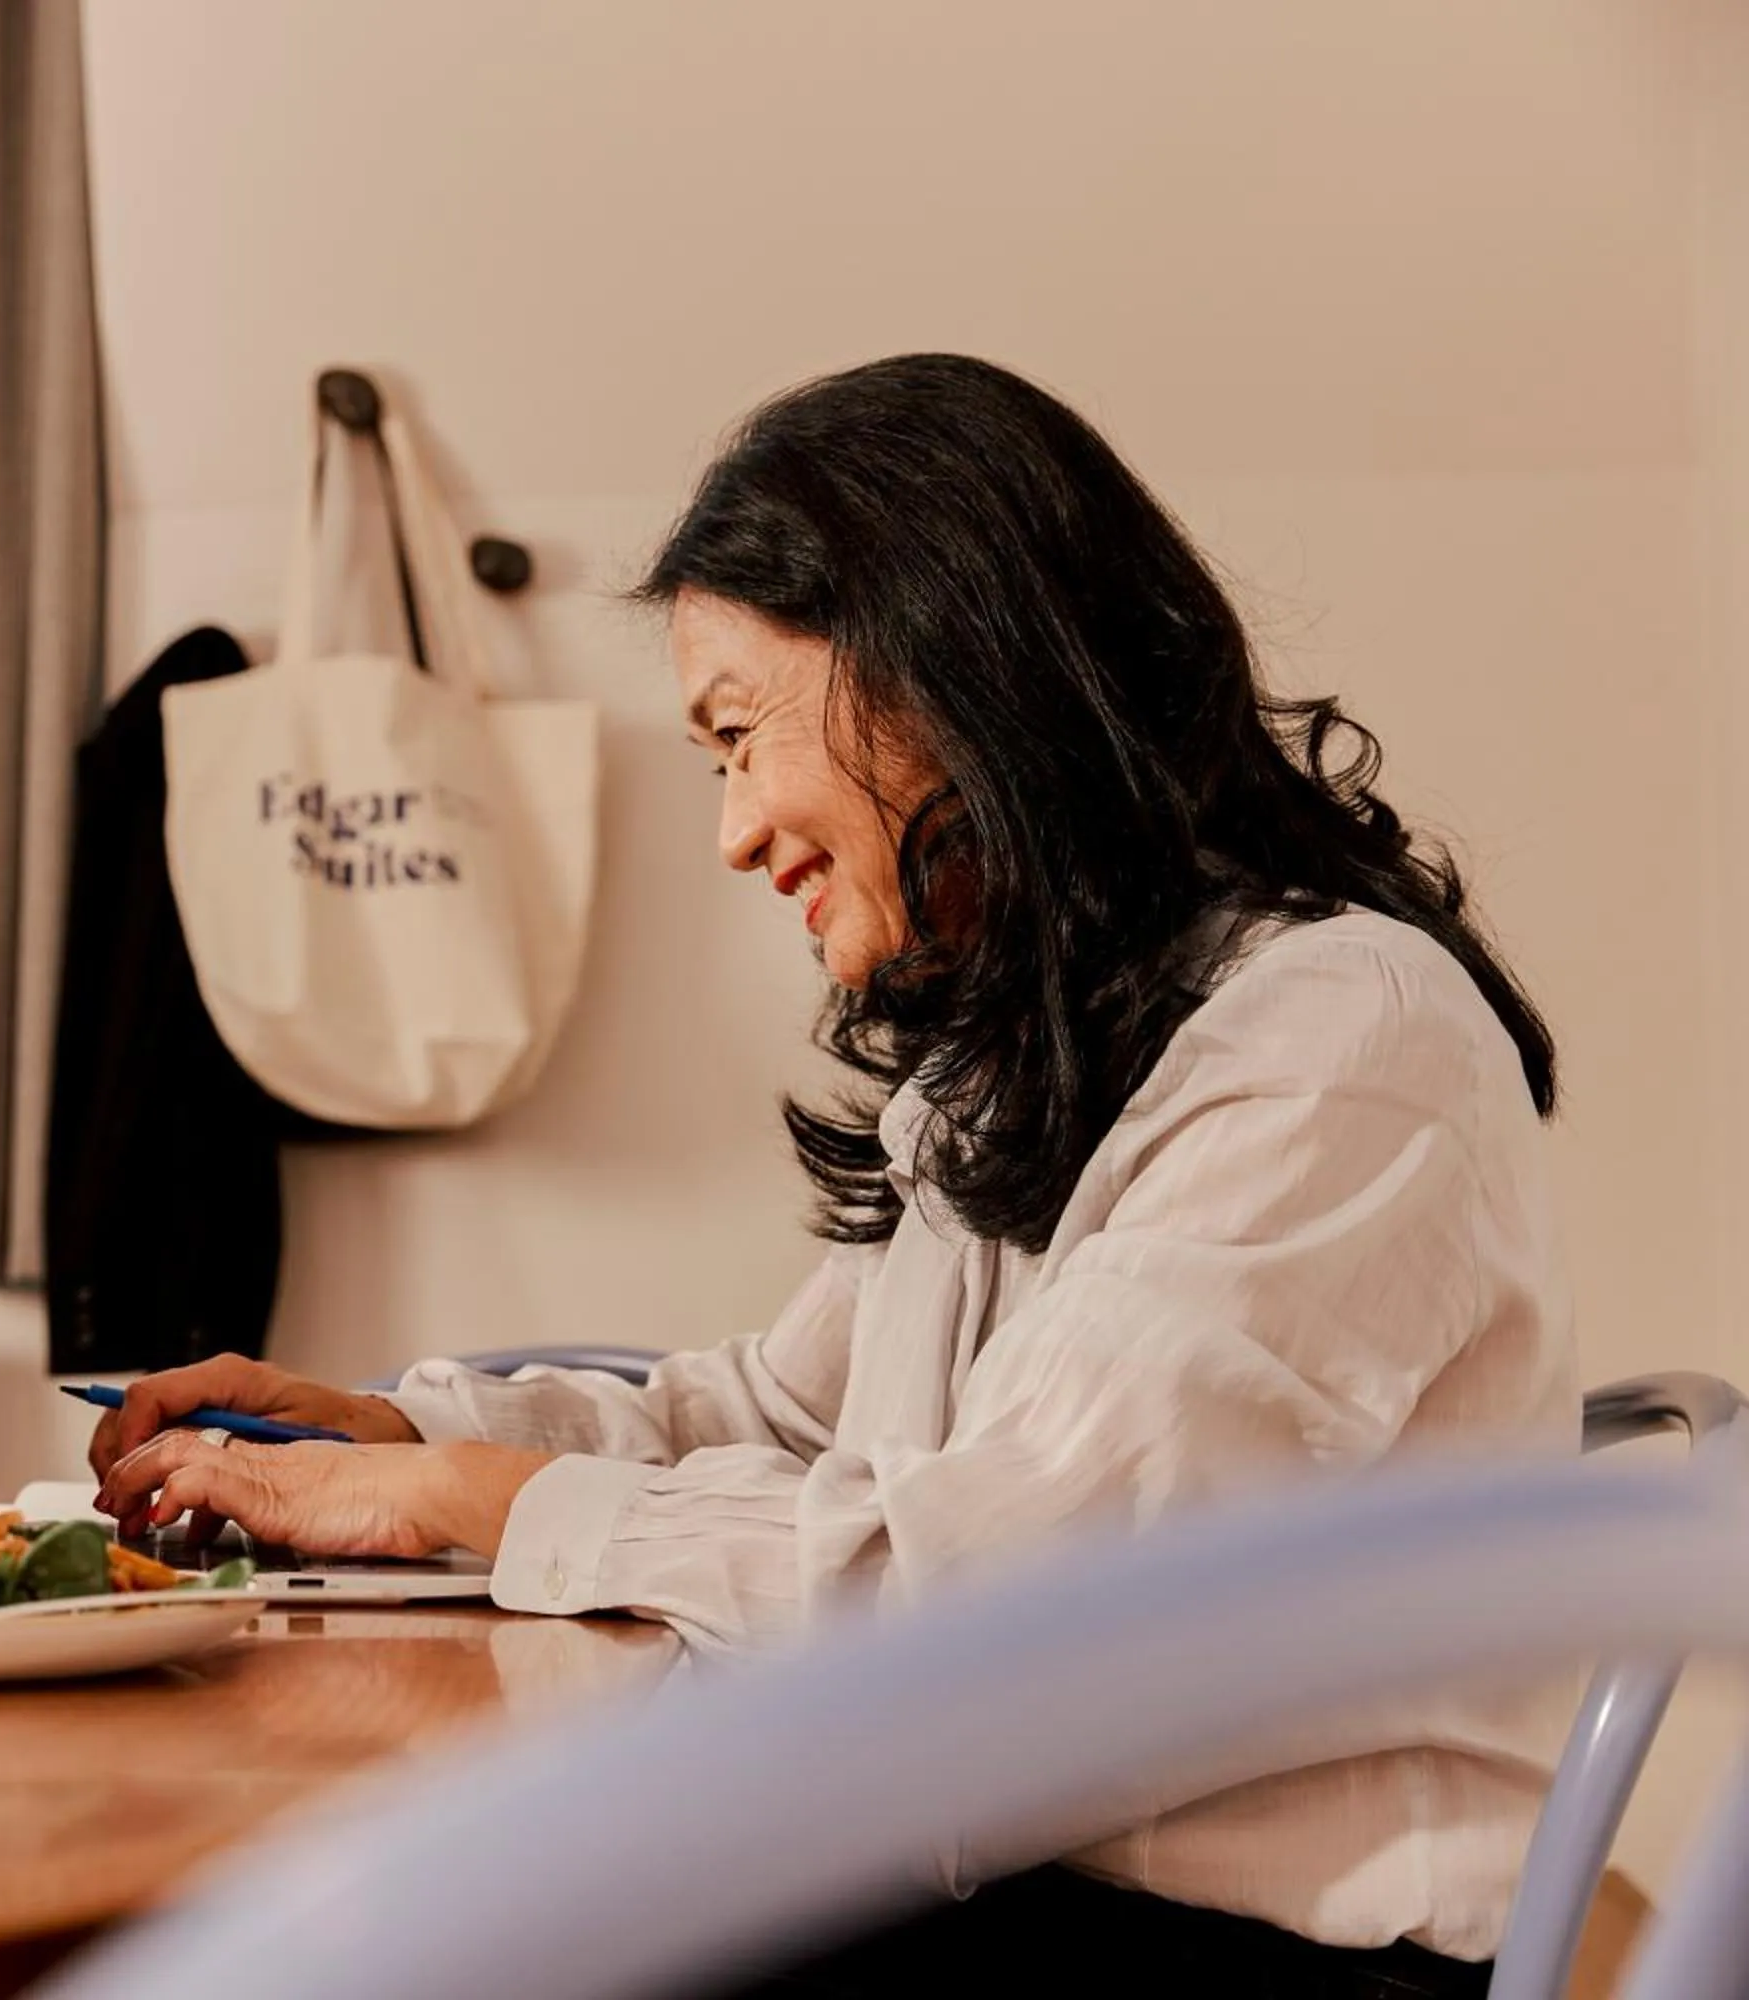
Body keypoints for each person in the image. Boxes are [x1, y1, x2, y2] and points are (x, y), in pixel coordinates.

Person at [91, 354, 1572, 1997]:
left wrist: (485, 1505)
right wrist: (411, 1435)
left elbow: (1006, 1615)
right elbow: (791, 1424)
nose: (731, 833)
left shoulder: (1336, 1037)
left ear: (953, 671)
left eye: (738, 737)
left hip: (1241, 1958)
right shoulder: (1027, 1052)